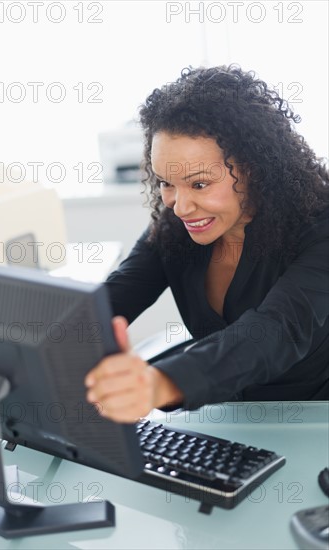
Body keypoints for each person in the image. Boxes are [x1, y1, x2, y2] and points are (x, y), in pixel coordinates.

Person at [85, 64, 329, 423]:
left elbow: (274, 332)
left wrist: (161, 383)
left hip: (310, 423)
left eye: (199, 184)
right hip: (227, 421)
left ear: (255, 169)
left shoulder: (319, 230)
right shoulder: (174, 228)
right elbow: (114, 299)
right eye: (166, 183)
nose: (180, 207)